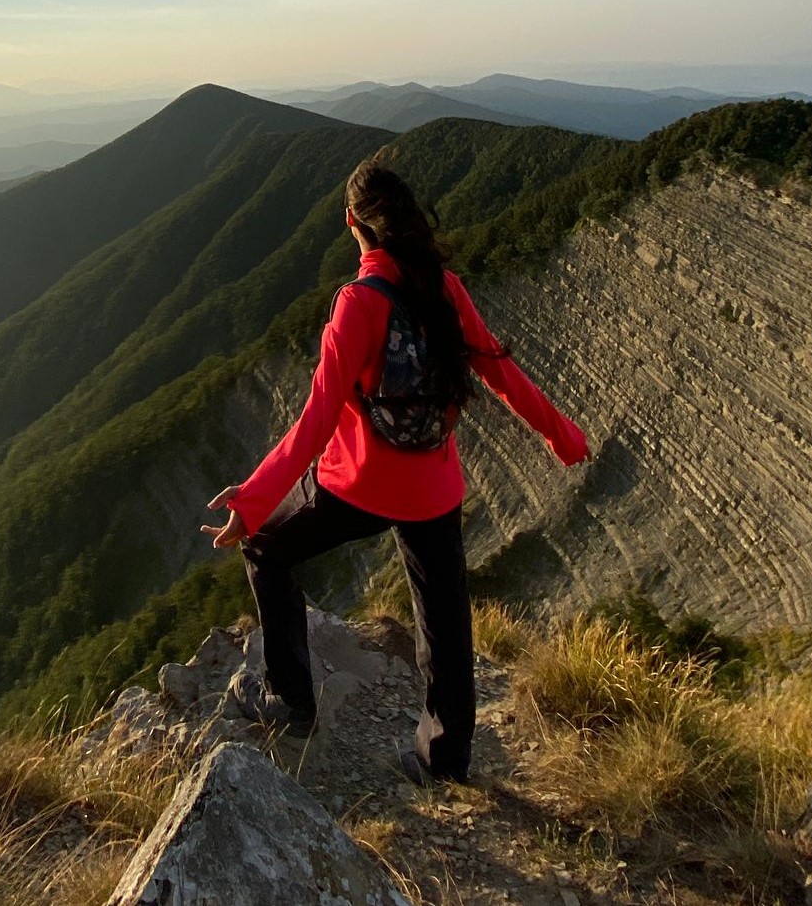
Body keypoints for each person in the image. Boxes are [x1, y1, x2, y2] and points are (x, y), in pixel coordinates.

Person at [199, 151, 591, 785]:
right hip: (432, 487)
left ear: (352, 222)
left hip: (356, 485)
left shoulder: (358, 302)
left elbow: (316, 420)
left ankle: (291, 703)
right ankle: (443, 761)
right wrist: (564, 437)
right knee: (444, 621)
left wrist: (253, 503)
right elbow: (501, 372)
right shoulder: (446, 288)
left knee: (268, 551)